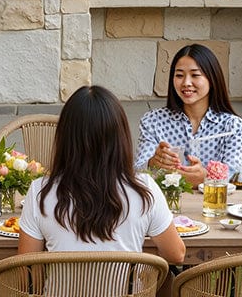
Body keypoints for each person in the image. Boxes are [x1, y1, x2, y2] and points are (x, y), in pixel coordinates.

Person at [19, 85, 185, 266]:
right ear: (121, 138)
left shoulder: (40, 191)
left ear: (64, 137)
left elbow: (25, 265)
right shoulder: (145, 189)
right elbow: (176, 255)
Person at [135, 44, 242, 187]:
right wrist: (153, 163)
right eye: (179, 75)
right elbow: (136, 172)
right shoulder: (153, 121)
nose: (186, 83)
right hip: (168, 205)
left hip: (215, 207)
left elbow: (236, 175)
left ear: (212, 78)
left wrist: (206, 177)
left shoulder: (232, 126)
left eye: (195, 75)